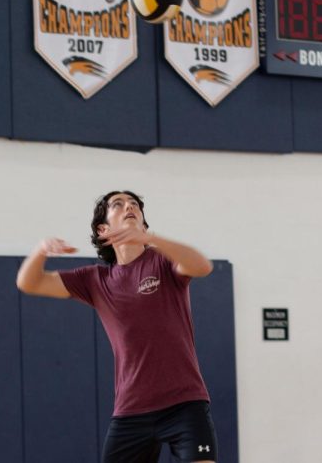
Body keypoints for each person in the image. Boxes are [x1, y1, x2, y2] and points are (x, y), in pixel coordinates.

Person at [16, 190, 217, 463]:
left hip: (185, 404)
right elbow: (29, 283)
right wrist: (41, 250)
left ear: (144, 225)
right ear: (104, 229)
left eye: (134, 204)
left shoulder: (162, 260)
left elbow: (202, 266)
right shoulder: (95, 280)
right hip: (131, 411)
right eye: (118, 205)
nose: (129, 207)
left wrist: (151, 240)